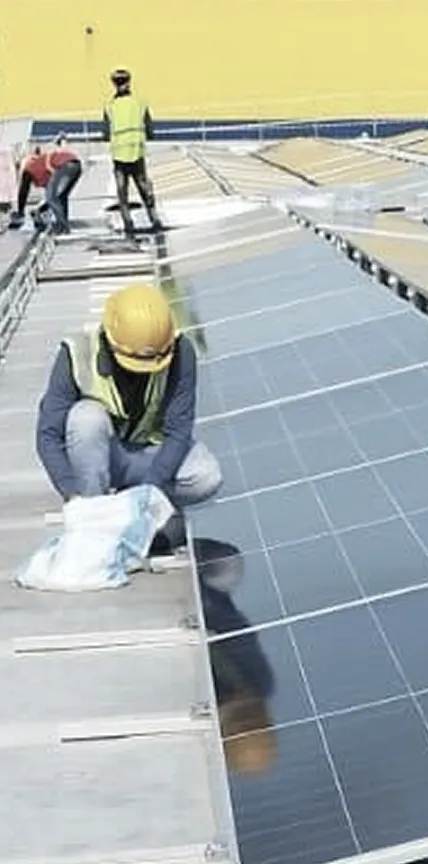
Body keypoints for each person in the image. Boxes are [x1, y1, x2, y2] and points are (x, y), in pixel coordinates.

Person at [35, 283, 222, 554]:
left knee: (206, 476)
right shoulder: (77, 352)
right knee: (85, 419)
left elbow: (179, 432)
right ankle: (94, 518)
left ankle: (128, 505)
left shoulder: (179, 351)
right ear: (111, 342)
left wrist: (149, 493)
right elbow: (47, 435)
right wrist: (71, 493)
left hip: (146, 456)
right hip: (97, 456)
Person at [101, 68, 163, 237]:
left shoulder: (110, 107)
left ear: (114, 85)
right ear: (129, 83)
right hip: (136, 152)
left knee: (122, 191)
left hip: (119, 156)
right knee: (144, 187)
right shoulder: (140, 103)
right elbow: (151, 131)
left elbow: (105, 134)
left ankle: (129, 224)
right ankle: (155, 219)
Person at [9, 139, 83, 235]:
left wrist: (20, 212)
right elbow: (54, 199)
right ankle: (64, 226)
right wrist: (41, 209)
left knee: (52, 197)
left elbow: (23, 191)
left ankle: (62, 227)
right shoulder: (42, 168)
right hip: (76, 165)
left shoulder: (29, 168)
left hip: (65, 165)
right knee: (61, 197)